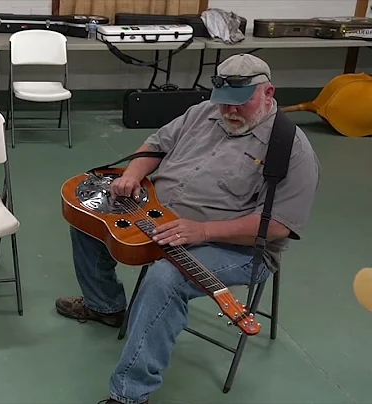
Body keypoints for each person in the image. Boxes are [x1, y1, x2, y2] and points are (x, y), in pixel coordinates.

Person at [55, 54, 320, 403]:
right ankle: (105, 306)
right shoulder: (202, 113)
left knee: (166, 279)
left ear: (268, 92)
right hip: (158, 215)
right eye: (223, 104)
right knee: (87, 215)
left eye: (240, 104)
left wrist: (203, 231)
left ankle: (129, 394)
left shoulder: (291, 149)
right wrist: (133, 174)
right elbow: (156, 145)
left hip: (234, 245)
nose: (229, 113)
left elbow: (278, 226)